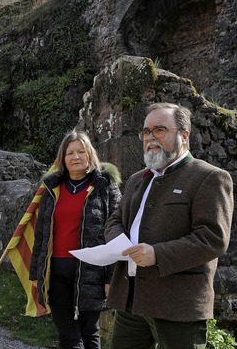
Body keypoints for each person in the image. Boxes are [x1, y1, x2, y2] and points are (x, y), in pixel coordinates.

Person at [105, 102, 233, 349]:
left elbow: (213, 239)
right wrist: (118, 240)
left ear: (184, 135)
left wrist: (157, 255)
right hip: (131, 301)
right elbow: (114, 219)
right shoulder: (135, 180)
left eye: (160, 130)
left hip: (179, 306)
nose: (150, 138)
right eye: (146, 132)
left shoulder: (209, 177)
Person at [30, 130, 122, 349]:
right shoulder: (52, 189)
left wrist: (112, 277)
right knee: (69, 336)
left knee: (89, 332)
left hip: (92, 274)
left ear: (90, 154)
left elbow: (117, 234)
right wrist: (36, 273)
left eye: (81, 151)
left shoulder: (106, 188)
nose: (76, 157)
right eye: (70, 152)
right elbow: (41, 234)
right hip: (56, 274)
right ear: (63, 158)